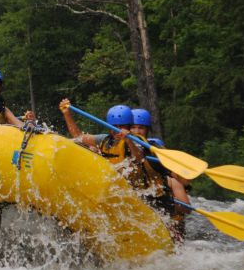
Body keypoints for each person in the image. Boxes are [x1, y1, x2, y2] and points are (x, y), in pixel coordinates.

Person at [128, 108, 192, 243]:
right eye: (132, 127)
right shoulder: (125, 159)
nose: (136, 132)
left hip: (170, 221)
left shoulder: (169, 178)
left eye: (141, 128)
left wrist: (169, 202)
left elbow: (186, 207)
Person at [59, 99, 133, 162]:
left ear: (129, 127)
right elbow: (78, 136)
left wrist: (129, 141)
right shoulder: (103, 140)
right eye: (114, 126)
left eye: (122, 126)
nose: (117, 130)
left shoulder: (135, 142)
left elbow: (139, 158)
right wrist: (66, 113)